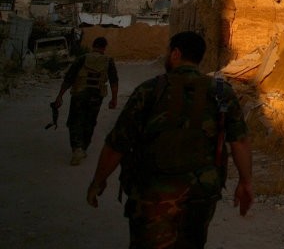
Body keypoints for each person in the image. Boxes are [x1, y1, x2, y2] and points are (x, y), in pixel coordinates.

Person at [85, 31, 253, 248]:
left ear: (175, 54)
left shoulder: (149, 90)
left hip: (152, 195)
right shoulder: (221, 92)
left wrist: (98, 181)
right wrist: (246, 182)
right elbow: (239, 141)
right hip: (200, 196)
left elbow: (117, 144)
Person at [55, 35, 119, 165]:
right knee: (90, 121)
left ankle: (77, 149)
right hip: (97, 95)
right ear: (104, 48)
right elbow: (114, 81)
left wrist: (60, 95)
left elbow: (69, 79)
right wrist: (114, 99)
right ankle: (83, 148)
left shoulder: (82, 59)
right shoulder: (108, 61)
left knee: (75, 121)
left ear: (93, 46)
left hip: (79, 94)